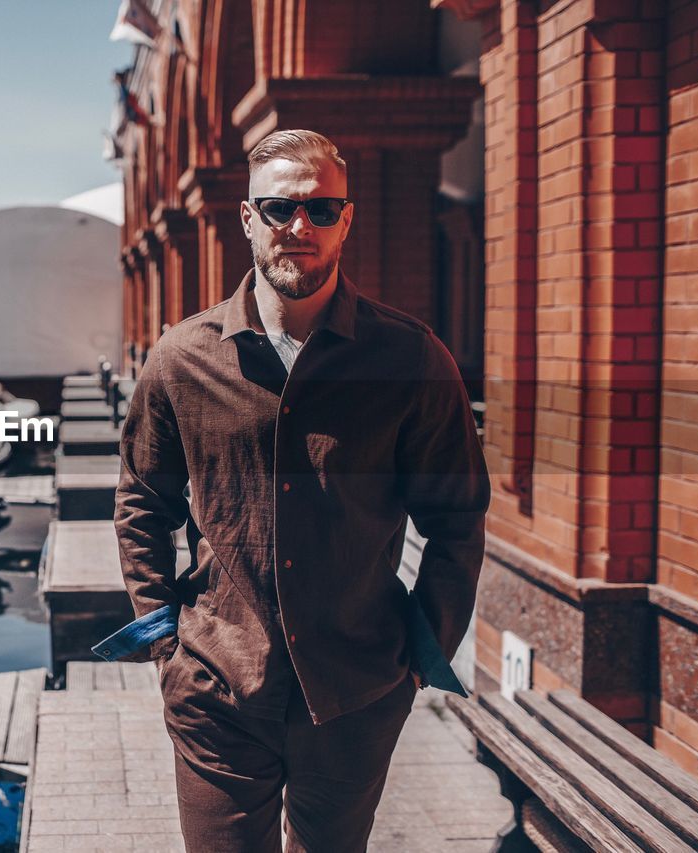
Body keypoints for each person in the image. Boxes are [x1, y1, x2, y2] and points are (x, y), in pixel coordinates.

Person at [111, 129, 490, 851]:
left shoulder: (411, 357)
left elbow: (457, 516)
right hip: (216, 688)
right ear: (248, 218)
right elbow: (141, 505)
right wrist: (167, 643)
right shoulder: (181, 358)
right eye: (280, 207)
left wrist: (417, 659)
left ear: (347, 220)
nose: (299, 226)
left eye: (321, 209)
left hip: (357, 691)